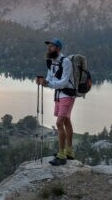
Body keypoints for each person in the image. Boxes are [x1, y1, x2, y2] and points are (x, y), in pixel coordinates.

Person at [36, 38, 76, 166]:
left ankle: (62, 154)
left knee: (59, 123)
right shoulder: (52, 62)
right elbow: (50, 78)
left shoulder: (66, 62)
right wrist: (43, 81)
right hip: (59, 95)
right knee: (66, 121)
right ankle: (69, 151)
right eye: (49, 46)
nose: (49, 48)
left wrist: (49, 83)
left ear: (58, 48)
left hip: (67, 95)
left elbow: (64, 81)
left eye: (52, 46)